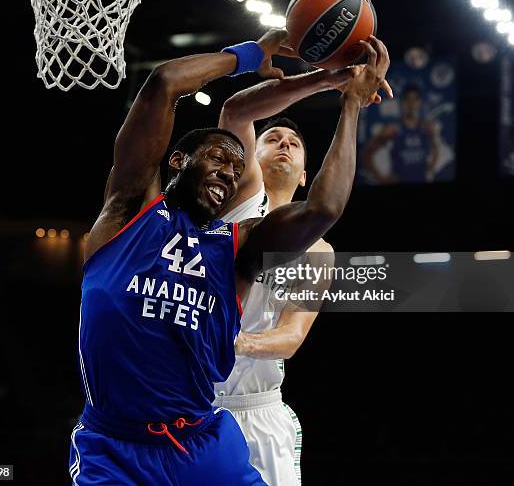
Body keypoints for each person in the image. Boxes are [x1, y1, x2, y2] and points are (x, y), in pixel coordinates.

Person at [69, 30, 391, 484]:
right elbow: (164, 82)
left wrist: (352, 104)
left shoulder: (239, 248)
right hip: (117, 445)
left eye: (238, 169)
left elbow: (325, 208)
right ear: (178, 161)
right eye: (220, 157)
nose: (229, 171)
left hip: (206, 441)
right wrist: (249, 55)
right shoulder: (126, 214)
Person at [215, 64, 391, 484]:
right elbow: (235, 113)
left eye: (294, 143)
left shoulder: (318, 251)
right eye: (272, 139)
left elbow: (292, 337)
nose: (284, 144)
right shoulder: (235, 203)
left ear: (306, 174)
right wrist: (327, 80)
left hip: (258, 411)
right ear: (248, 159)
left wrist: (231, 341)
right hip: (190, 404)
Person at [362, 84, 439, 183]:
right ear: (402, 103)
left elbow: (436, 150)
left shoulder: (426, 128)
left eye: (415, 99)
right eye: (408, 99)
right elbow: (366, 154)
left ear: (419, 103)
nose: (411, 104)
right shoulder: (393, 129)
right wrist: (380, 178)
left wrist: (430, 169)